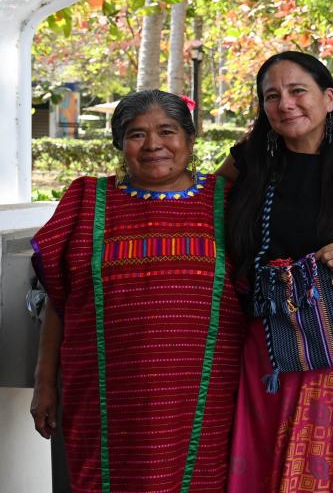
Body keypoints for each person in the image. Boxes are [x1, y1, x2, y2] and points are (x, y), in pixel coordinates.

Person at [30, 90, 245, 492]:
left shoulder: (227, 202)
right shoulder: (87, 200)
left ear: (190, 139)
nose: (153, 145)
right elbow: (59, 301)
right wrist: (44, 383)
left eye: (167, 131)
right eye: (136, 134)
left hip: (205, 398)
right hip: (103, 400)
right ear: (119, 144)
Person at [220, 50, 333, 492]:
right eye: (272, 96)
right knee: (265, 467)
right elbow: (198, 208)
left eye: (298, 90)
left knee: (329, 471)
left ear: (329, 99)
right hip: (266, 351)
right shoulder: (248, 163)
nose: (285, 103)